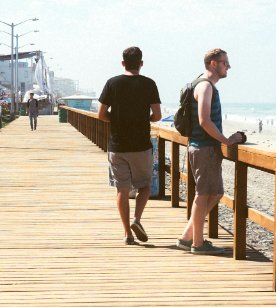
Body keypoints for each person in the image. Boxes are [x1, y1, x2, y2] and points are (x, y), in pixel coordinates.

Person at [177, 48, 244, 255]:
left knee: (215, 192)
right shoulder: (205, 86)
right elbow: (204, 120)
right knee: (204, 194)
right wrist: (226, 140)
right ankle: (197, 243)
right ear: (213, 64)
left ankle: (188, 236)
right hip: (204, 148)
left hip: (202, 147)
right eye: (225, 63)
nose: (228, 67)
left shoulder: (201, 83)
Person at [97, 46, 162, 245]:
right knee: (145, 186)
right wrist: (143, 120)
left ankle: (127, 233)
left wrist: (116, 120)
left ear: (123, 63)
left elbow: (101, 114)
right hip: (141, 144)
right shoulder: (149, 84)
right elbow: (157, 115)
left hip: (117, 145)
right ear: (141, 63)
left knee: (121, 190)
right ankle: (137, 219)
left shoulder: (112, 83)